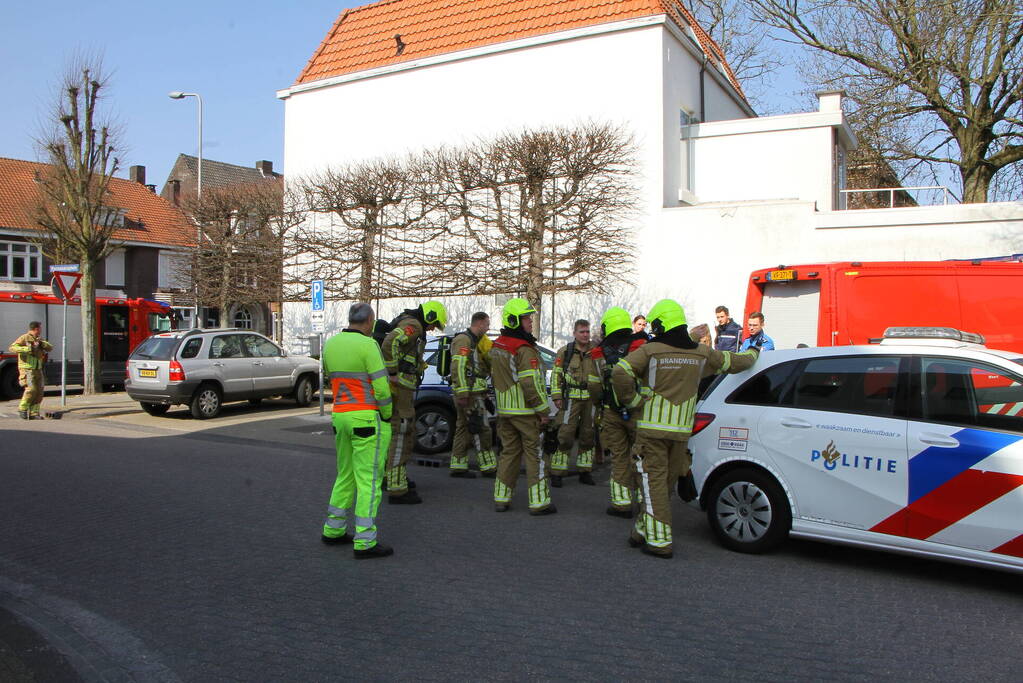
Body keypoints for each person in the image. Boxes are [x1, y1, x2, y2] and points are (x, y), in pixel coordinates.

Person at [612, 299, 759, 558]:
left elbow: (620, 372)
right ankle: (642, 530)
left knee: (652, 482)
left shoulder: (650, 350)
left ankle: (660, 541)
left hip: (651, 431)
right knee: (664, 484)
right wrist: (755, 354)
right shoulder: (701, 354)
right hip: (680, 434)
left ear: (660, 324)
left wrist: (633, 402)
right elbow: (734, 362)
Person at [320, 303, 394, 559]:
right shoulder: (368, 345)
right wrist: (387, 414)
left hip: (340, 414)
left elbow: (331, 378)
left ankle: (333, 529)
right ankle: (365, 541)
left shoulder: (331, 344)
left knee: (345, 475)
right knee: (369, 481)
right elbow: (382, 389)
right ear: (370, 321)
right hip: (365, 417)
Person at [490, 298, 554, 515]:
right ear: (515, 320)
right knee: (535, 455)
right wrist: (543, 411)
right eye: (526, 318)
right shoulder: (523, 348)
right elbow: (531, 383)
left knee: (508, 453)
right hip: (525, 412)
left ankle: (501, 498)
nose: (530, 322)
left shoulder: (498, 344)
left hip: (505, 411)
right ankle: (539, 502)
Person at [381, 300, 448, 504]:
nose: (432, 328)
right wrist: (392, 372)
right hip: (400, 389)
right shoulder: (415, 325)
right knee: (401, 433)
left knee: (399, 433)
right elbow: (390, 342)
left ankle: (392, 478)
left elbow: (405, 352)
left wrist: (419, 365)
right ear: (428, 317)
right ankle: (397, 489)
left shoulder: (411, 322)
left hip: (401, 388)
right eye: (433, 324)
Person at [589, 307, 648, 518]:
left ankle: (621, 505)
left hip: (611, 412)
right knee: (642, 458)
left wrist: (600, 404)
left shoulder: (597, 352)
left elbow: (594, 386)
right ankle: (645, 502)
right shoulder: (640, 345)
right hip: (638, 410)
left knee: (619, 457)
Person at [550, 319, 599, 487]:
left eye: (587, 332)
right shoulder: (565, 352)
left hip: (591, 400)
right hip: (571, 400)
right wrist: (557, 396)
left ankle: (585, 471)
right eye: (582, 332)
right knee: (564, 436)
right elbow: (556, 374)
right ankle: (557, 473)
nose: (585, 335)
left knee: (588, 436)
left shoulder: (596, 352)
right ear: (574, 333)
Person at [449, 311, 497, 478]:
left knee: (462, 428)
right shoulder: (464, 340)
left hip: (473, 392)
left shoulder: (476, 342)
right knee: (481, 429)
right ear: (480, 323)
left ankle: (458, 466)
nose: (488, 327)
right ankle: (488, 467)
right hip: (470, 393)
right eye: (487, 324)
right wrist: (463, 392)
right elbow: (458, 367)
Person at [9, 321, 52, 420]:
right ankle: (22, 409)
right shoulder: (24, 337)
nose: (41, 330)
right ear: (36, 329)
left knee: (39, 391)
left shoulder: (39, 340)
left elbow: (50, 347)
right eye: (40, 328)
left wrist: (42, 343)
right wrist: (27, 349)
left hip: (38, 369)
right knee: (31, 389)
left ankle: (34, 413)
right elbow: (12, 347)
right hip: (27, 369)